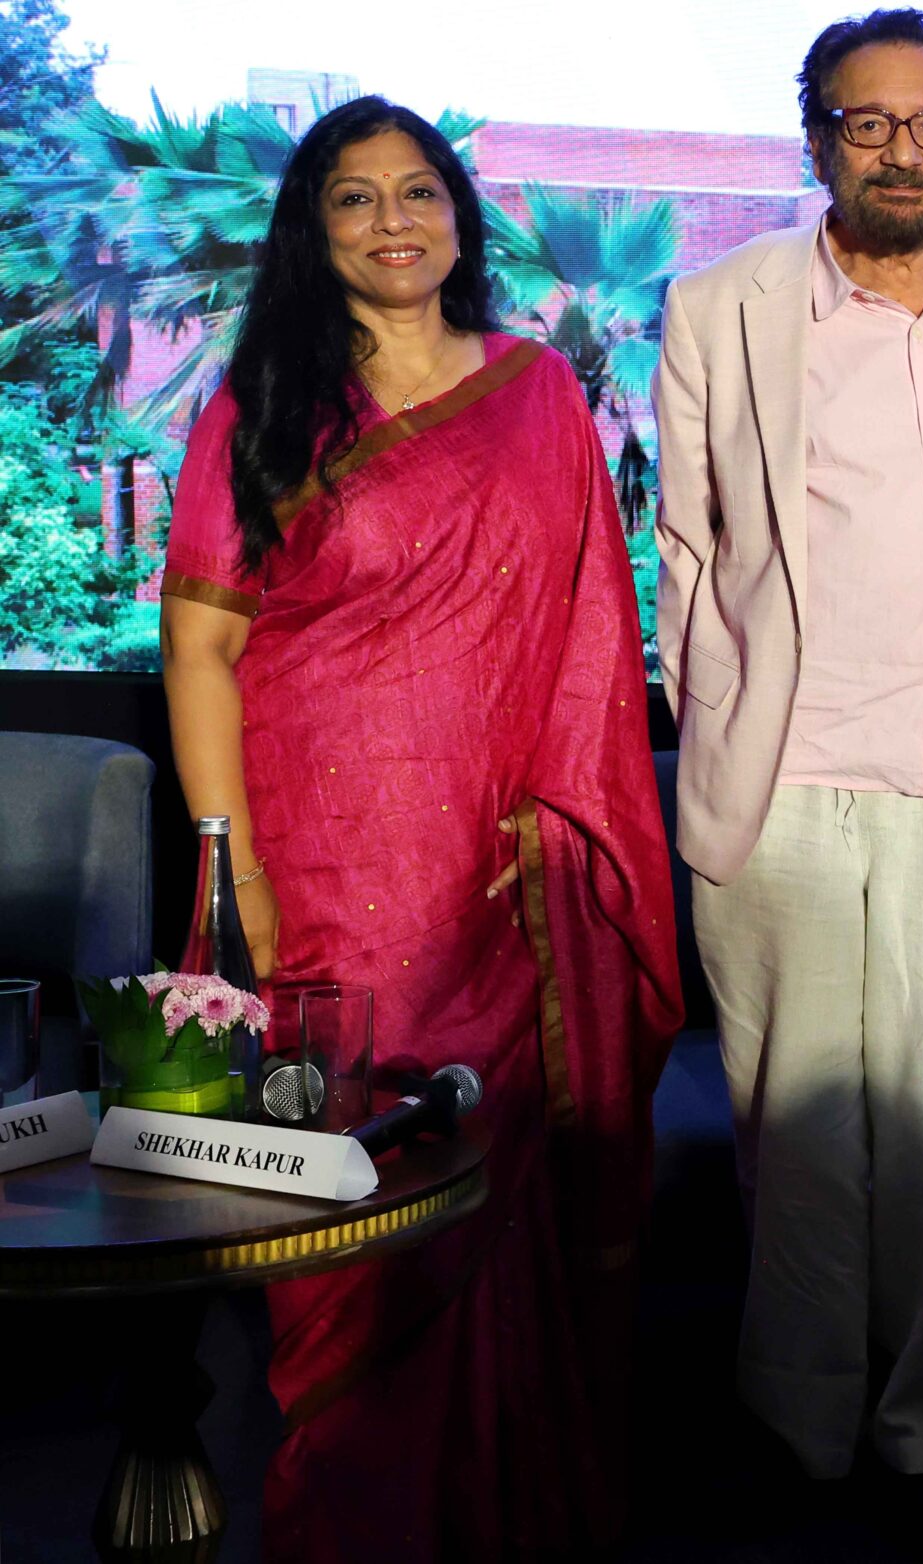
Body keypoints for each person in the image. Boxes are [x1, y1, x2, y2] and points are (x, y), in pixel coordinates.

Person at [158, 97, 680, 1560]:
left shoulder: (533, 394)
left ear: (459, 217)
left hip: (503, 866)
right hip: (320, 867)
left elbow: (583, 633)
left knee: (497, 1173)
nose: (395, 223)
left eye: (420, 194)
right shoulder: (260, 406)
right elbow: (199, 652)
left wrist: (570, 822)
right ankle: (356, 1515)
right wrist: (232, 871)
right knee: (343, 1194)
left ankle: (511, 1509)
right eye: (353, 200)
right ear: (311, 236)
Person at [650, 6, 923, 1521]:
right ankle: (803, 1417)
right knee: (797, 1126)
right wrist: (723, 721)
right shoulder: (723, 303)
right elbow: (688, 546)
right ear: (816, 134)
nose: (902, 147)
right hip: (787, 777)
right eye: (867, 120)